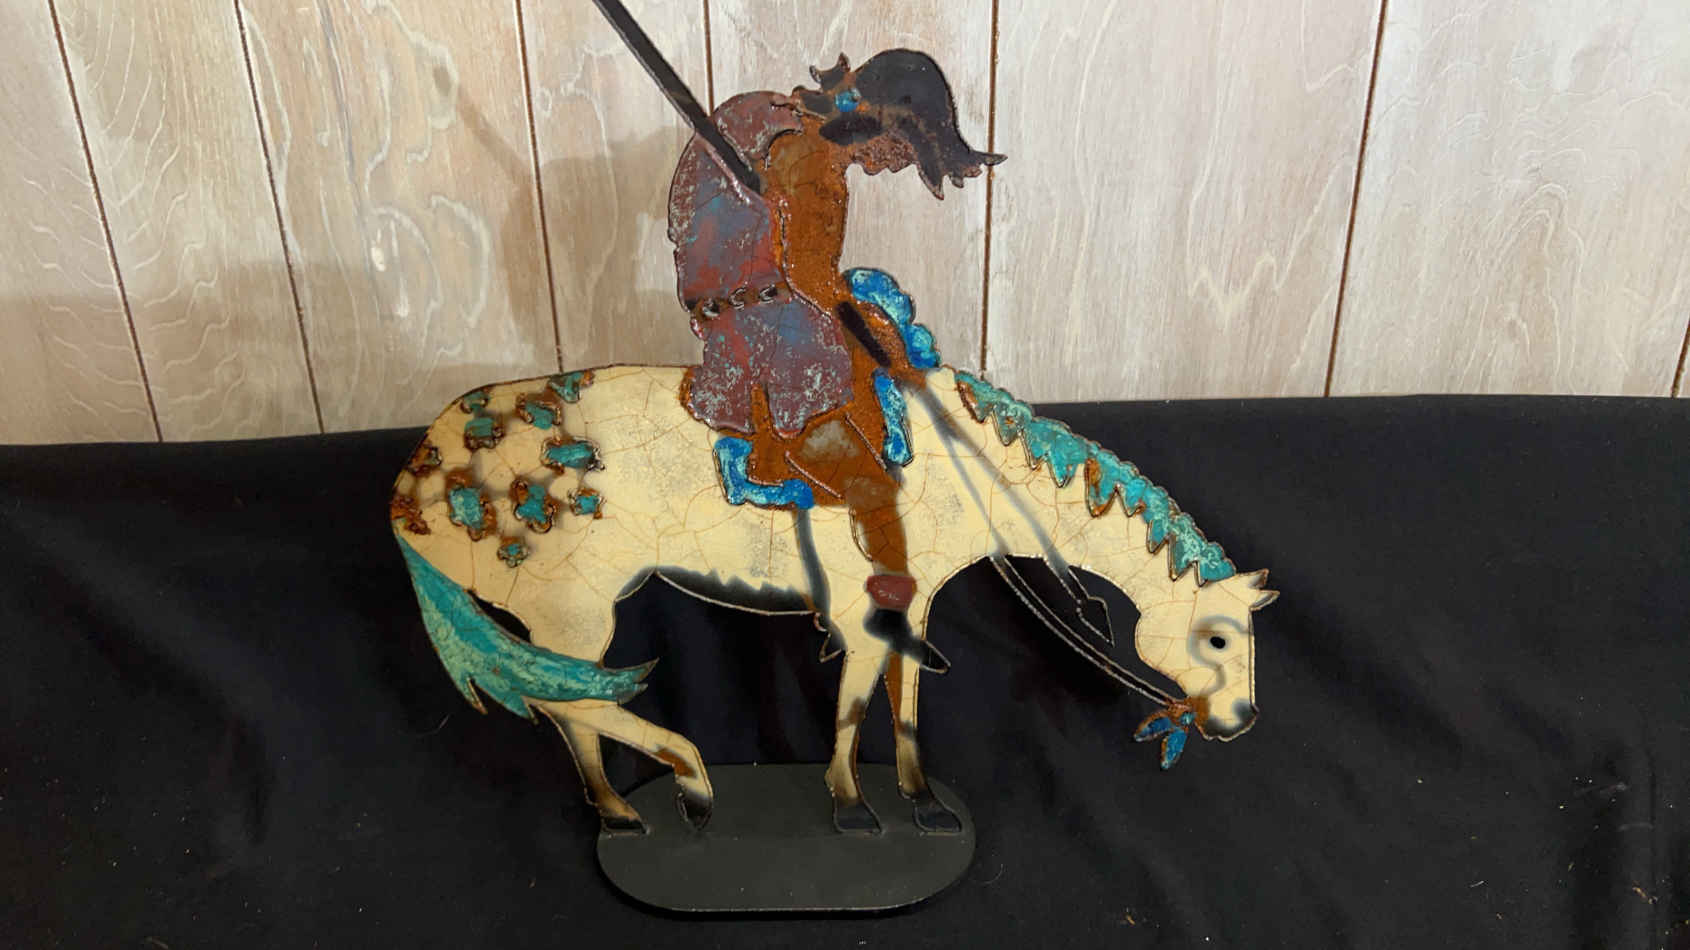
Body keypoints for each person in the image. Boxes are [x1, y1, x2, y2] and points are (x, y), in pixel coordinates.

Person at [667, 48, 1002, 639]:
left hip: (758, 308)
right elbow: (813, 279)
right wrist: (882, 343)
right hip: (769, 335)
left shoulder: (777, 120)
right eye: (903, 150)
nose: (894, 165)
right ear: (883, 121)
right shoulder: (813, 170)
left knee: (870, 338)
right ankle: (889, 617)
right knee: (873, 487)